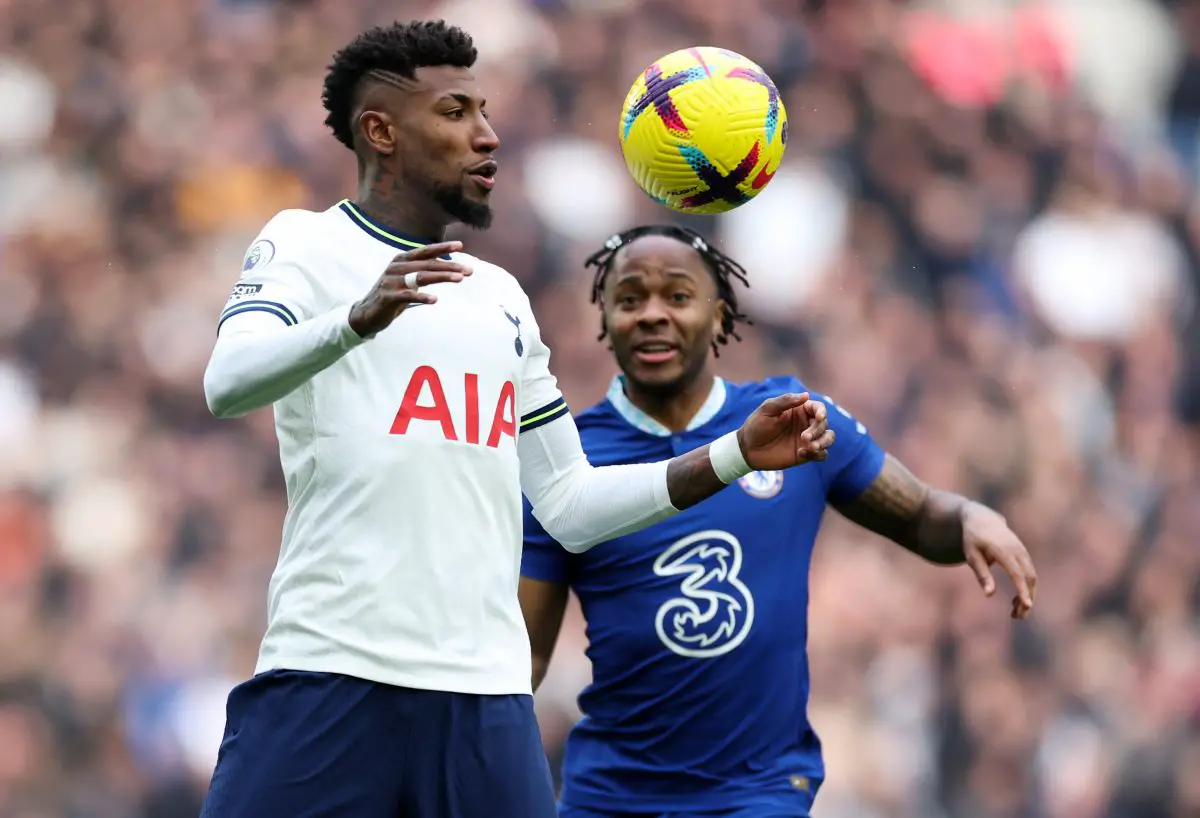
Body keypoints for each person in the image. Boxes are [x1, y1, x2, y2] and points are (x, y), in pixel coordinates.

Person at [198, 20, 836, 818]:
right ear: (381, 131)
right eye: (456, 112)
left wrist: (735, 453)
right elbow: (227, 383)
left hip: (483, 699)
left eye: (485, 110)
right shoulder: (305, 244)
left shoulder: (498, 298)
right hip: (331, 674)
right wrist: (354, 320)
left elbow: (570, 504)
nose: (488, 135)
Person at [519, 224, 1039, 818]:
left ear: (719, 317)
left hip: (756, 794)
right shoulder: (568, 461)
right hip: (609, 797)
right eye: (630, 299)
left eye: (678, 297)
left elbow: (919, 516)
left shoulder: (792, 420)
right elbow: (525, 662)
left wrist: (970, 515)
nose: (652, 315)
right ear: (604, 318)